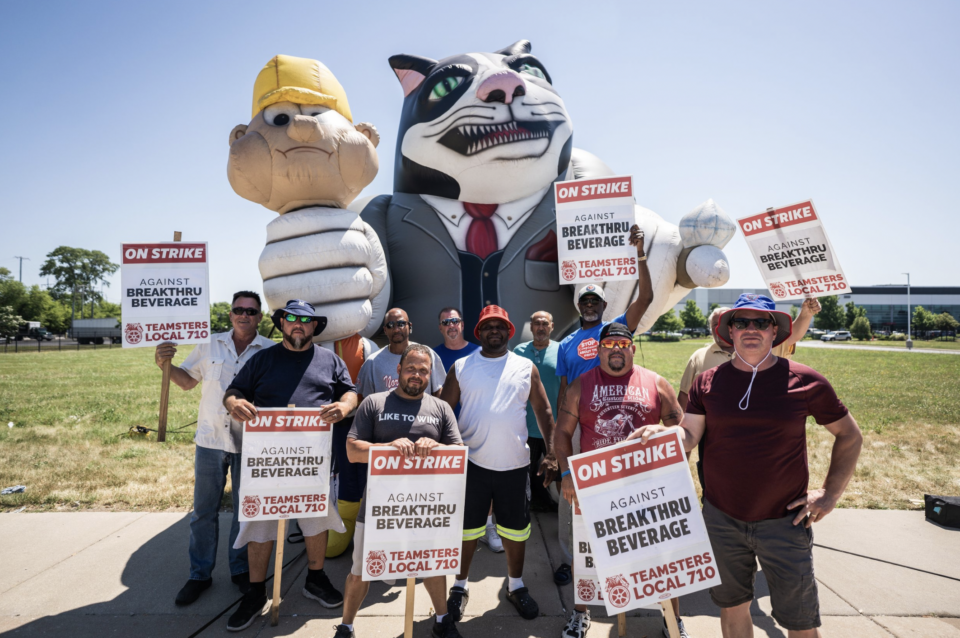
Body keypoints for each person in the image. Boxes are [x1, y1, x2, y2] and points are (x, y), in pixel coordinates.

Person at [632, 294, 863, 638]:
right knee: (732, 606)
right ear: (731, 331)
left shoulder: (804, 380)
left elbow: (849, 435)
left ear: (775, 331)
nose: (751, 329)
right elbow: (688, 436)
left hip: (785, 521)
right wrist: (663, 435)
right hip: (722, 518)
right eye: (742, 322)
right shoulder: (707, 381)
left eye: (761, 322)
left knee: (800, 621)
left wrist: (829, 494)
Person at [222, 299, 358, 631]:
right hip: (267, 461)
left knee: (314, 519)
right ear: (282, 323)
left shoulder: (330, 360)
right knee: (262, 522)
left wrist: (343, 407)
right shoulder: (262, 359)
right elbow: (234, 391)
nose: (298, 324)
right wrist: (235, 403)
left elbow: (351, 393)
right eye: (291, 318)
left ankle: (315, 577)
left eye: (305, 320)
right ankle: (255, 593)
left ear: (314, 327)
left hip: (312, 459)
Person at [554, 323, 686, 638]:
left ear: (632, 349)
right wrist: (566, 473)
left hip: (647, 486)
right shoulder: (580, 385)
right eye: (609, 344)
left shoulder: (655, 382)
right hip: (595, 486)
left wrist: (675, 466)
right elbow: (562, 432)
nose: (615, 349)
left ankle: (671, 619)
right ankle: (580, 614)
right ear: (598, 350)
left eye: (622, 344)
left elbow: (681, 428)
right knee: (587, 556)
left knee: (660, 556)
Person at [334, 344, 465, 638]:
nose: (416, 375)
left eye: (423, 370)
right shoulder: (374, 403)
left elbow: (458, 453)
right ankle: (346, 626)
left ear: (430, 375)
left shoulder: (441, 408)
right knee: (361, 570)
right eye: (411, 368)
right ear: (398, 371)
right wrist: (387, 447)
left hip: (427, 507)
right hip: (380, 507)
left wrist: (438, 447)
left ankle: (442, 620)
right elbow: (353, 450)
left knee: (431, 565)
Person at [155, 291, 275, 606]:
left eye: (251, 311)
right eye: (239, 310)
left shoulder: (270, 351)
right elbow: (185, 381)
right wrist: (164, 364)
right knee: (203, 512)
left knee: (243, 511)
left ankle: (240, 573)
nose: (244, 315)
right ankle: (199, 575)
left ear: (259, 317)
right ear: (230, 314)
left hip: (251, 444)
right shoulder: (209, 343)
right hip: (209, 441)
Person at [440, 305, 557, 622]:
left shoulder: (525, 367)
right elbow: (442, 410)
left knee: (516, 531)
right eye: (488, 326)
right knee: (466, 532)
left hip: (515, 467)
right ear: (479, 332)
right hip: (472, 466)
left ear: (509, 332)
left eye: (500, 326)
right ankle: (460, 587)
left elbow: (544, 412)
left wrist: (552, 452)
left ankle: (516, 586)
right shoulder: (462, 367)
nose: (494, 330)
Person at [555, 225, 653, 410]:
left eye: (595, 301)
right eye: (585, 301)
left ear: (604, 305)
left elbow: (645, 298)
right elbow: (564, 388)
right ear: (579, 306)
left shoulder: (617, 329)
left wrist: (639, 253)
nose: (590, 304)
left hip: (613, 409)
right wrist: (560, 426)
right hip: (578, 415)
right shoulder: (565, 344)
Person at [678, 299, 821, 410]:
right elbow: (685, 395)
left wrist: (806, 313)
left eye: (761, 323)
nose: (717, 328)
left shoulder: (767, 347)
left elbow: (794, 333)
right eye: (714, 324)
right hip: (714, 433)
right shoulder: (699, 356)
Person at [319, 333, 379, 557]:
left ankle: (368, 525)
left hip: (366, 421)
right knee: (341, 471)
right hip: (336, 423)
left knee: (367, 471)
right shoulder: (321, 346)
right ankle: (343, 519)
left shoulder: (368, 348)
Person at [512, 312, 560, 513]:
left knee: (558, 473)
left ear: (552, 326)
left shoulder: (561, 350)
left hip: (555, 427)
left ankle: (564, 515)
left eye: (545, 324)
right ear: (530, 327)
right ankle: (518, 513)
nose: (541, 327)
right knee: (522, 474)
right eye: (536, 324)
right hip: (526, 425)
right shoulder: (518, 351)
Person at [357, 308, 445, 398]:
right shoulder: (372, 362)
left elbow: (439, 392)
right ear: (385, 330)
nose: (396, 329)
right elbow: (366, 400)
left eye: (401, 324)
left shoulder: (427, 355)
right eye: (390, 325)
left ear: (410, 326)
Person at [433, 307, 480, 373]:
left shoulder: (479, 352)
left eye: (455, 321)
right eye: (446, 322)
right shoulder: (433, 356)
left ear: (462, 325)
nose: (451, 325)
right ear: (440, 328)